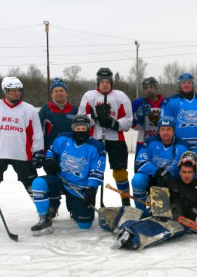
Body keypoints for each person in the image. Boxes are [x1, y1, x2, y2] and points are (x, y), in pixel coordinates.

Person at [0, 77, 44, 229]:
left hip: (22, 155)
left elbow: (37, 135)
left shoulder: (29, 110)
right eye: (11, 91)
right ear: (5, 91)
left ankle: (44, 214)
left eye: (18, 90)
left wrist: (38, 152)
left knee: (32, 185)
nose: (15, 93)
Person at [114, 152, 197, 250]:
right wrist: (155, 204)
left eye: (190, 172)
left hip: (181, 222)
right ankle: (121, 222)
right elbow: (157, 194)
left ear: (194, 172)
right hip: (163, 214)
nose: (187, 175)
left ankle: (132, 235)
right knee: (142, 215)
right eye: (184, 172)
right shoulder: (171, 182)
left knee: (159, 229)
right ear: (179, 171)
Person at [30, 114, 106, 235]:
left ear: (88, 128)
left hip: (79, 188)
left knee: (85, 225)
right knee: (38, 183)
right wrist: (49, 160)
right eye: (77, 129)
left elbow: (96, 171)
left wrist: (91, 189)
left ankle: (73, 206)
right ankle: (44, 218)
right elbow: (51, 151)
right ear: (73, 128)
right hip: (61, 180)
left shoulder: (97, 147)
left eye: (83, 129)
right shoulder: (63, 138)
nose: (80, 131)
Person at [78, 67, 133, 205]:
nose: (105, 84)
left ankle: (125, 203)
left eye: (107, 81)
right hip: (95, 139)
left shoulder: (120, 96)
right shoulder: (89, 96)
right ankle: (90, 201)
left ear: (111, 82)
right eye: (102, 81)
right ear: (98, 82)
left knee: (120, 172)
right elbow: (80, 121)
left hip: (116, 140)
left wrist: (114, 123)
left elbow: (128, 121)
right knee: (93, 171)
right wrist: (94, 116)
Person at [131, 116, 191, 212]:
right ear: (158, 131)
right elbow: (140, 163)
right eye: (162, 129)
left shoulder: (184, 146)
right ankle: (140, 212)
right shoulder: (150, 142)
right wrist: (157, 171)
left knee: (172, 213)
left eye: (168, 129)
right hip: (153, 180)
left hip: (174, 183)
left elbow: (190, 170)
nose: (165, 132)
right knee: (138, 180)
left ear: (173, 131)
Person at [162, 72, 197, 175]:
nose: (186, 85)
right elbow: (165, 126)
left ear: (193, 84)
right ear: (179, 85)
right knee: (179, 180)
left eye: (189, 82)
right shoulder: (171, 102)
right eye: (184, 82)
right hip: (179, 149)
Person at [38, 78, 78, 151]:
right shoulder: (45, 109)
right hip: (50, 150)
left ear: (66, 93)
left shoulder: (74, 110)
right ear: (52, 94)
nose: (59, 93)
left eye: (61, 90)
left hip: (70, 150)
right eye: (56, 91)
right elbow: (38, 131)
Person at [132, 76, 164, 159]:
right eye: (146, 88)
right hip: (143, 143)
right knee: (141, 169)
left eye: (151, 87)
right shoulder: (138, 103)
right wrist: (137, 117)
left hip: (162, 143)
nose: (149, 89)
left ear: (156, 88)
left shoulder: (166, 103)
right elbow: (134, 127)